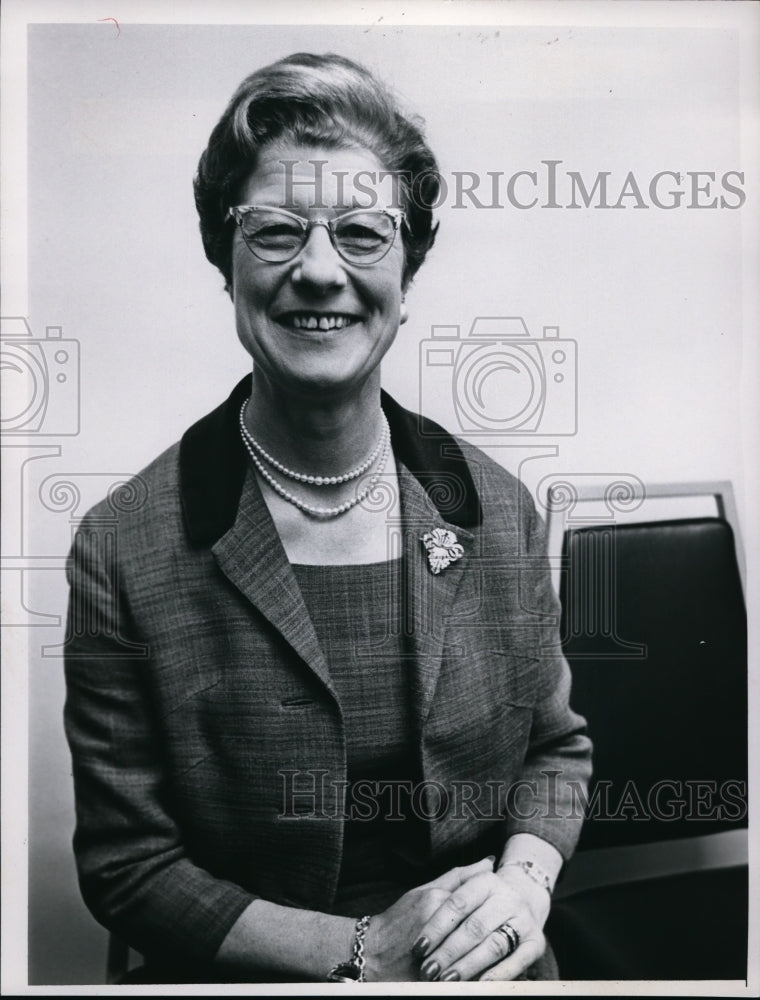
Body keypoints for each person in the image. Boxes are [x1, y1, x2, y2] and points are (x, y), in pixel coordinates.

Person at [63, 52, 592, 984]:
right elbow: (128, 865)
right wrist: (357, 952)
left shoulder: (498, 508)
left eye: (360, 231)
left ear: (407, 268)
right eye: (275, 231)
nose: (318, 270)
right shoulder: (122, 547)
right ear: (225, 260)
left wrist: (522, 890)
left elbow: (555, 747)